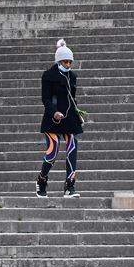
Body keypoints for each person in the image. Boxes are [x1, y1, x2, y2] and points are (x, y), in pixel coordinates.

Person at [36, 39, 83, 198]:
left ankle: (70, 186)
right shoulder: (48, 76)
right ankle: (42, 180)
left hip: (70, 118)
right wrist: (54, 112)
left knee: (72, 149)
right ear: (58, 61)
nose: (68, 64)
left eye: (70, 62)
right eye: (65, 61)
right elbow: (46, 99)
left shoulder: (73, 76)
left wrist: (77, 113)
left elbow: (72, 98)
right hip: (53, 119)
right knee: (52, 151)